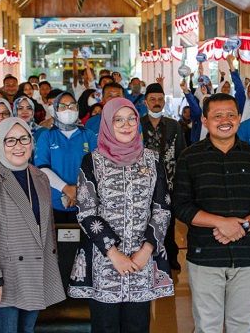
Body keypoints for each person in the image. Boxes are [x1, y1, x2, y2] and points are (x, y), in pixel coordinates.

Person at [173, 93, 250, 333]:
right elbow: (181, 205)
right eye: (217, 116)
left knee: (242, 325)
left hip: (247, 256)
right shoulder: (190, 157)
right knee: (207, 326)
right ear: (206, 121)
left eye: (231, 115)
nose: (225, 120)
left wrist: (242, 227)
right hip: (205, 256)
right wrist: (221, 223)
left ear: (239, 119)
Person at [69, 98, 174, 332]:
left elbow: (162, 208)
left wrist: (146, 250)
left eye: (131, 119)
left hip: (142, 260)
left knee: (137, 325)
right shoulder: (92, 161)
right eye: (118, 120)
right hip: (104, 261)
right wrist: (113, 253)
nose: (126, 125)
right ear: (107, 123)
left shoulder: (152, 159)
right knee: (105, 326)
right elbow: (86, 211)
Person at [0, 118, 66, 333]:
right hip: (4, 277)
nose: (18, 146)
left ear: (32, 142)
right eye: (10, 140)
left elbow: (46, 226)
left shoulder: (40, 176)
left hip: (35, 272)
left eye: (24, 139)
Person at [140, 82, 186, 270]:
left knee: (168, 220)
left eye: (160, 99)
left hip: (169, 182)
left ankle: (171, 256)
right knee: (144, 219)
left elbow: (182, 154)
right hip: (142, 183)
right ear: (146, 102)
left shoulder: (174, 126)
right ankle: (147, 255)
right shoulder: (138, 125)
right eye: (153, 99)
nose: (156, 103)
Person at [34, 92, 97, 223]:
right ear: (55, 110)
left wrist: (78, 191)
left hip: (85, 201)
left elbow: (96, 167)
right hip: (54, 202)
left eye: (72, 106)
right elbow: (42, 168)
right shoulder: (47, 136)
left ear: (78, 109)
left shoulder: (89, 135)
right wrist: (67, 189)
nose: (68, 110)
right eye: (62, 106)